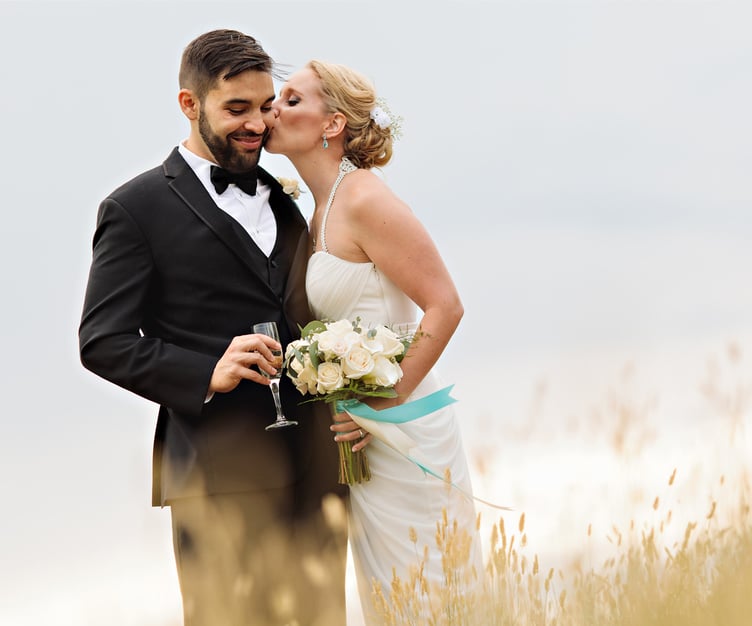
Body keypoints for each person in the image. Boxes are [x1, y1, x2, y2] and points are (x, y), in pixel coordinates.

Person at [78, 31, 347, 626]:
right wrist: (208, 372)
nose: (257, 123)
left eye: (264, 105)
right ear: (189, 104)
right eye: (236, 109)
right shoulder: (134, 209)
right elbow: (102, 341)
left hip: (316, 469)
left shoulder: (282, 199)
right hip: (216, 476)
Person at [265, 60, 484, 624]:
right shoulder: (315, 209)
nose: (272, 108)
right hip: (362, 438)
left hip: (404, 429)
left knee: (431, 588)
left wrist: (383, 404)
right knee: (388, 595)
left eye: (290, 100)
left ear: (332, 123)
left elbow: (445, 304)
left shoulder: (363, 198)